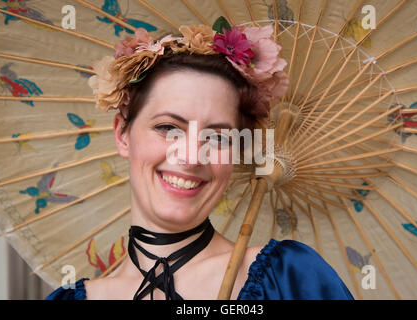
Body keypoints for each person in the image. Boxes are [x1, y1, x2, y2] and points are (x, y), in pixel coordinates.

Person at [45, 20, 354, 300]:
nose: (192, 156)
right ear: (123, 134)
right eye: (168, 127)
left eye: (218, 137)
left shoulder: (289, 280)